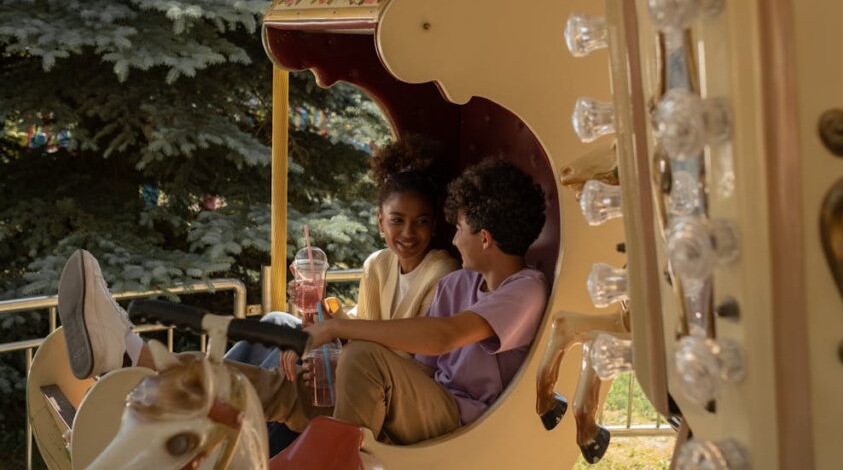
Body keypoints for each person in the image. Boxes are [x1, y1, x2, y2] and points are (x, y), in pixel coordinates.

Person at [58, 158, 549, 446]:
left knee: (361, 355)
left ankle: (329, 457)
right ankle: (134, 355)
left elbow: (444, 337)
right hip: (411, 398)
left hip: (462, 421)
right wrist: (332, 357)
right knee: (277, 386)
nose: (452, 234)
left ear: (484, 237)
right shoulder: (456, 285)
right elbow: (419, 365)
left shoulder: (523, 289)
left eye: (459, 225)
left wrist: (341, 334)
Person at [223, 135, 459, 451]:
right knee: (277, 324)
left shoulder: (442, 274)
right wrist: (321, 312)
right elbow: (364, 334)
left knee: (295, 383)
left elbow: (417, 365)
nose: (407, 233)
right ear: (380, 222)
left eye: (421, 222)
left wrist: (338, 351)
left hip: (400, 395)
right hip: (362, 369)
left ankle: (210, 396)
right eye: (397, 221)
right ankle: (211, 389)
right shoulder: (378, 265)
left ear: (433, 226)